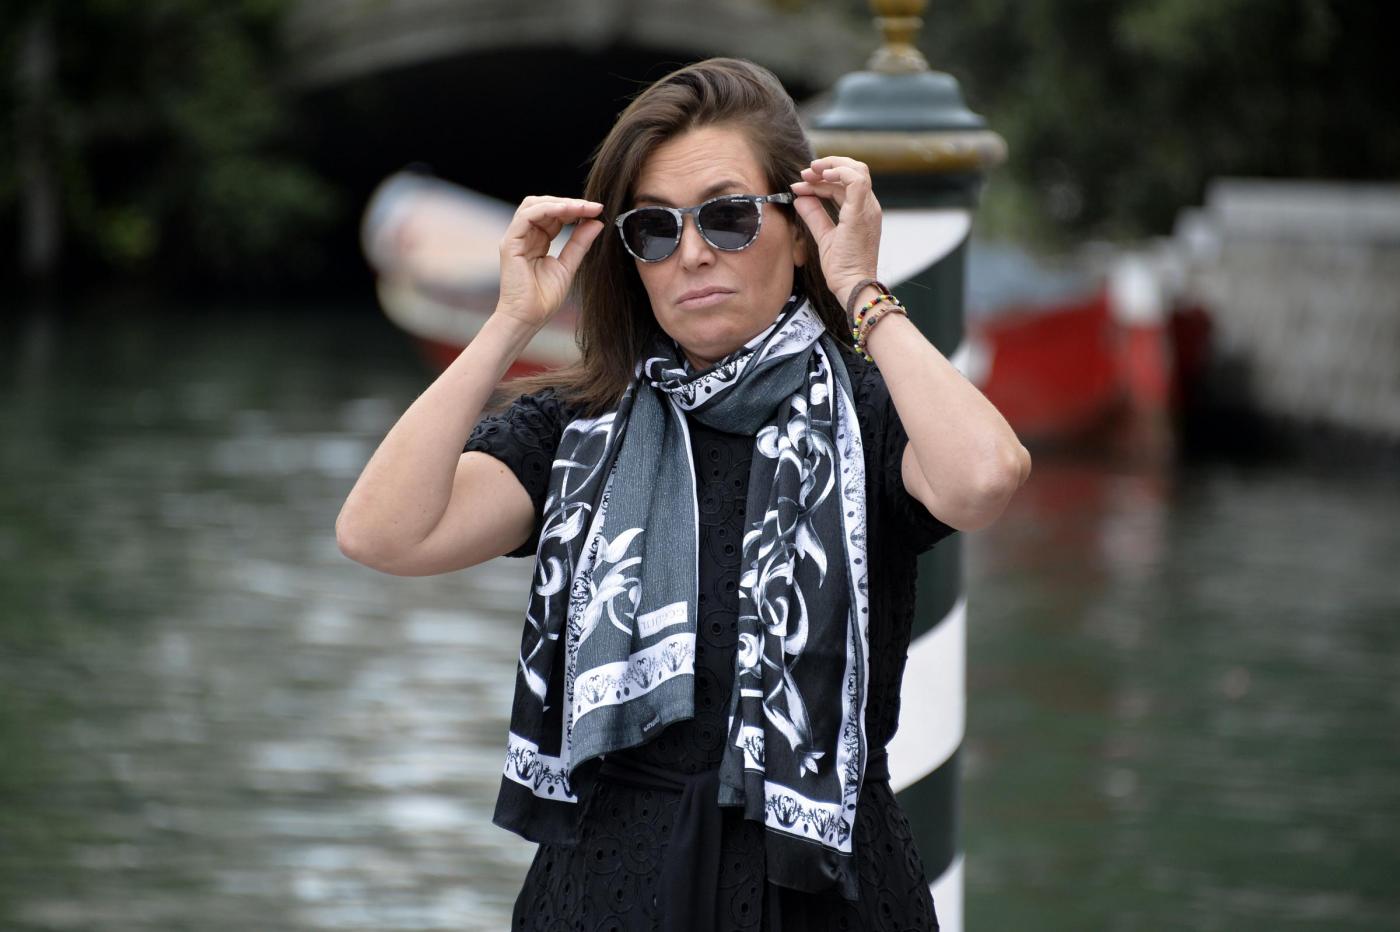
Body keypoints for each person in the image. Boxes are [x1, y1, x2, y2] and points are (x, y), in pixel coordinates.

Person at [337, 57, 1030, 932]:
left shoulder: (868, 414)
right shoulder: (578, 427)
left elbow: (984, 477)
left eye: (730, 216)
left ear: (799, 230)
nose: (693, 252)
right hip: (603, 894)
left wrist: (859, 286)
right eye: (655, 229)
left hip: (822, 895)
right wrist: (512, 319)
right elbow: (381, 533)